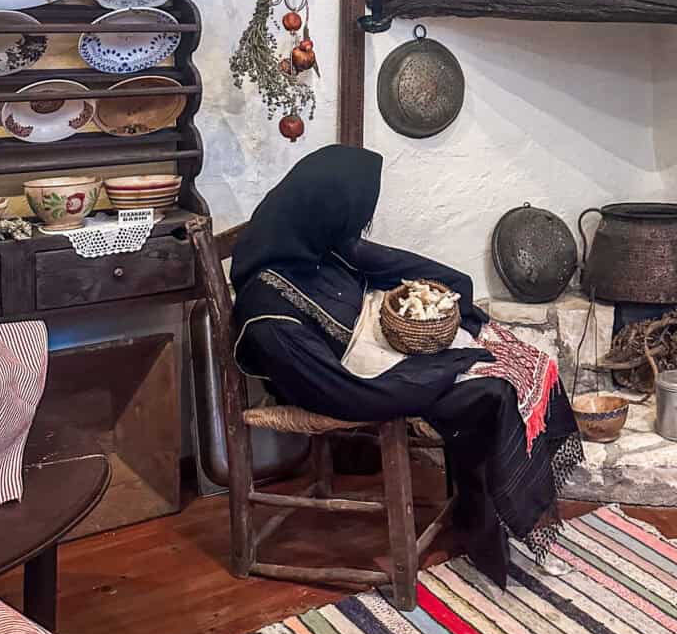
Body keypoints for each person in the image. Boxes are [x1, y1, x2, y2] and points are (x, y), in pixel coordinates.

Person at [231, 144, 583, 586]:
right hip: (343, 384)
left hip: (379, 355)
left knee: (524, 356)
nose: (356, 230)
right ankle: (490, 528)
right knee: (493, 391)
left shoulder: (313, 246)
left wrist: (451, 296)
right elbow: (344, 394)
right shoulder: (269, 314)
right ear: (323, 213)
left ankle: (490, 514)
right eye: (351, 218)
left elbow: (398, 268)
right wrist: (444, 367)